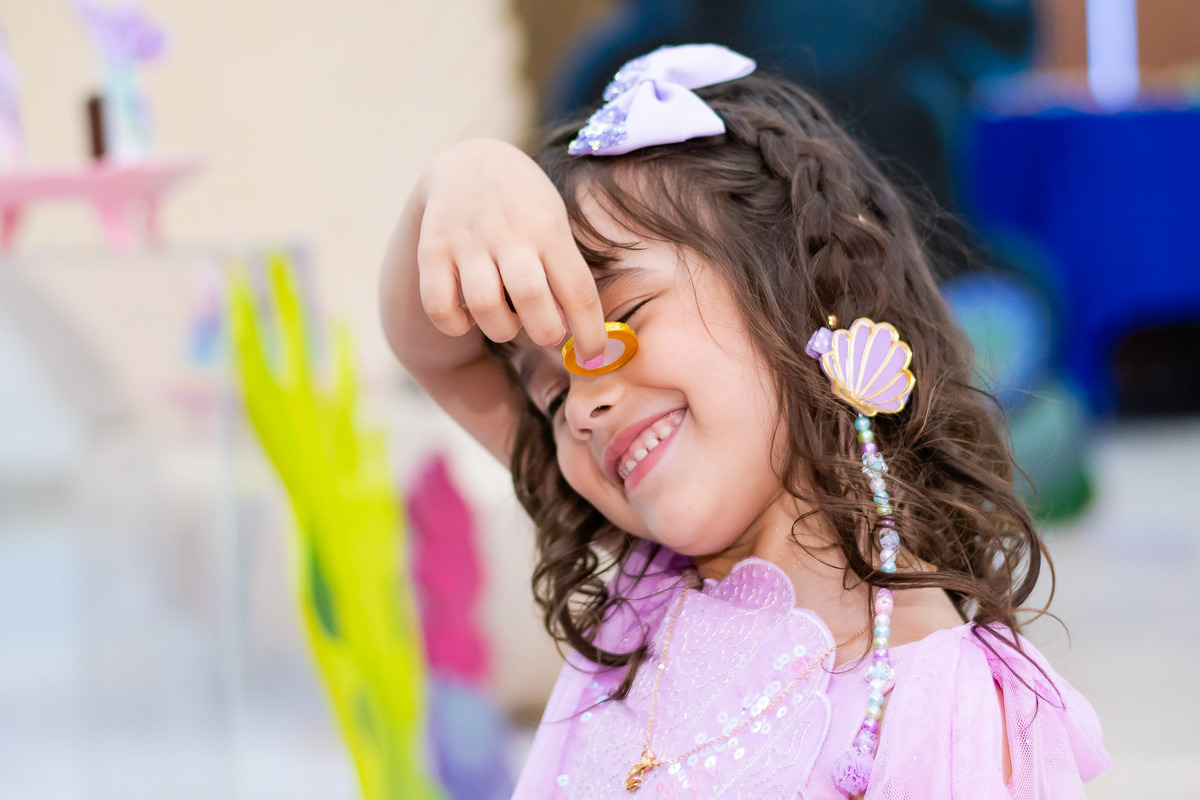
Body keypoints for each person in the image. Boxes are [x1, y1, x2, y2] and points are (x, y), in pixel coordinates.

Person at [379, 44, 1109, 799]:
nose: (586, 405)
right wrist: (461, 175)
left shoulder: (940, 708)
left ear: (797, 283)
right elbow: (433, 346)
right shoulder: (645, 591)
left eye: (619, 316)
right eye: (553, 399)